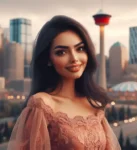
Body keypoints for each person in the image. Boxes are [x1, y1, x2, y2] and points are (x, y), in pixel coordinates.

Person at [7, 15, 121, 150]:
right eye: (61, 52)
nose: (74, 58)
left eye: (80, 49)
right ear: (48, 59)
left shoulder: (93, 103)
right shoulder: (42, 104)